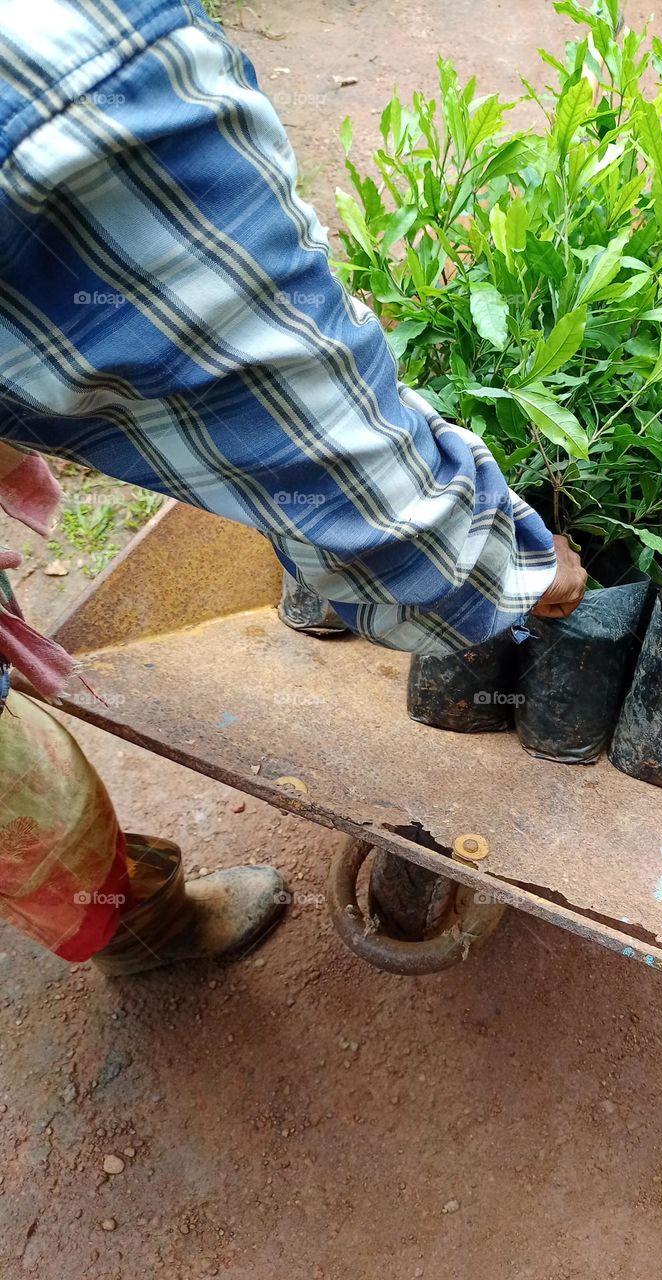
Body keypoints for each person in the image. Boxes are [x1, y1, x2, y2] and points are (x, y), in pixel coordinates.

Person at [0, 0, 587, 975]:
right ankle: (143, 927)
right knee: (29, 806)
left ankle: (130, 914)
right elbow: (348, 474)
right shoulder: (92, 82)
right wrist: (525, 572)